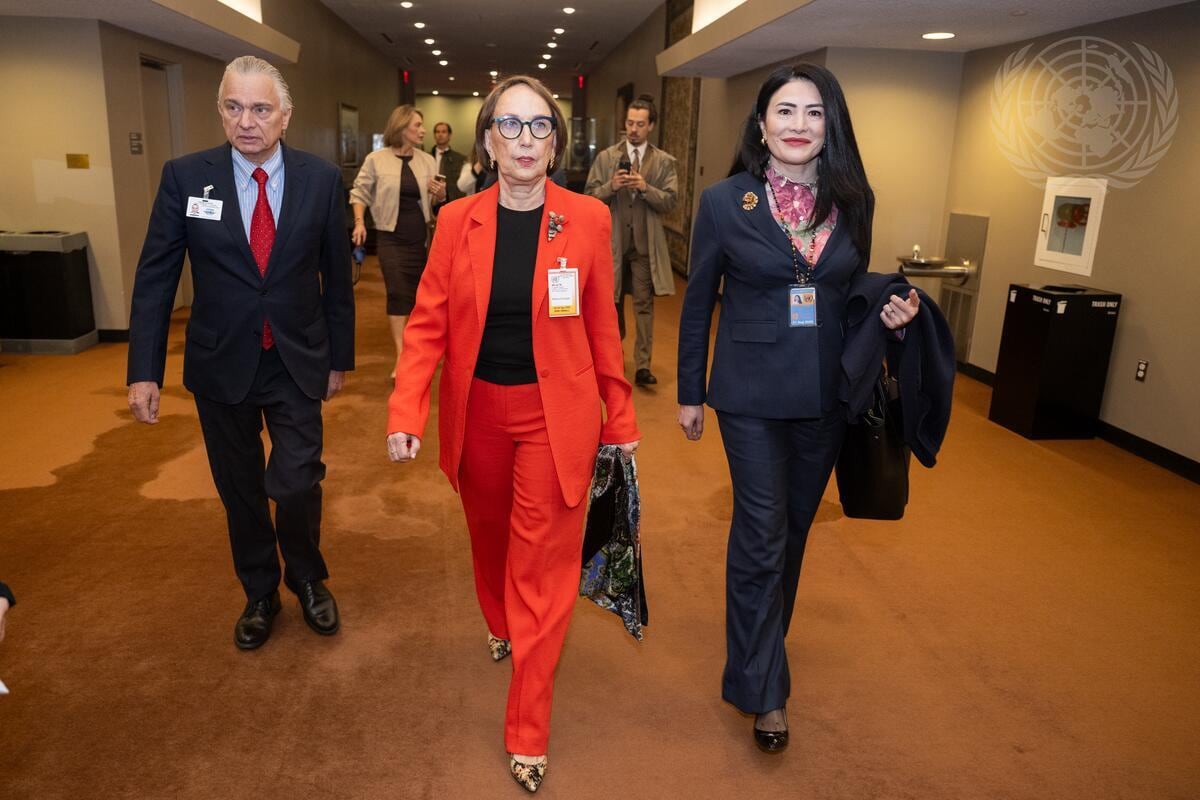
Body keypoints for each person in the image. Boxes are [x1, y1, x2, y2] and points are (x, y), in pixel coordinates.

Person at [385, 75, 639, 793]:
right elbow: (427, 324)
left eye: (539, 126)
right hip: (478, 415)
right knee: (491, 539)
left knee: (544, 567)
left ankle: (528, 724)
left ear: (555, 143)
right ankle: (499, 618)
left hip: (557, 417)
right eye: (510, 125)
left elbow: (602, 326)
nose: (525, 140)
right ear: (488, 142)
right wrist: (406, 410)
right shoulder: (456, 219)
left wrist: (619, 415)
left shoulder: (587, 218)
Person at [676, 63, 920, 754]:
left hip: (825, 391)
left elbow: (850, 291)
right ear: (761, 124)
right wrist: (690, 391)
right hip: (749, 393)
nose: (798, 125)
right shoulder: (724, 201)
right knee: (760, 531)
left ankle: (760, 650)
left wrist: (892, 313)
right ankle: (765, 692)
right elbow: (697, 302)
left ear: (830, 125)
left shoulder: (855, 200)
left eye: (814, 113)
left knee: (793, 532)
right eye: (784, 111)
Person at [126, 56, 356, 651]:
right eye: (233, 107)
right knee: (239, 486)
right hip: (220, 360)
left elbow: (337, 276)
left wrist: (340, 358)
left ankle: (306, 576)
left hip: (295, 357)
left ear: (285, 116)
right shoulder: (185, 177)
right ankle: (260, 590)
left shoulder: (320, 179)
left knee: (296, 480)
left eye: (259, 109)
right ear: (220, 111)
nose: (246, 121)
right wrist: (143, 371)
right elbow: (155, 278)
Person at [584, 94, 678, 386]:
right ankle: (612, 358)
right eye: (629, 123)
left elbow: (670, 202)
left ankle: (643, 366)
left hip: (644, 247)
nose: (633, 129)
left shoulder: (664, 162)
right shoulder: (606, 158)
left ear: (651, 126)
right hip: (611, 244)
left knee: (644, 305)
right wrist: (611, 186)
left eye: (640, 124)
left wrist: (646, 188)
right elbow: (588, 198)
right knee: (610, 304)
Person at [351, 106, 444, 376]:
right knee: (397, 292)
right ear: (402, 127)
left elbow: (437, 204)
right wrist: (359, 222)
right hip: (390, 238)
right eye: (417, 125)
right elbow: (359, 193)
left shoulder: (427, 160)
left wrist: (440, 194)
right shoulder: (376, 159)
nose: (423, 131)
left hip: (420, 239)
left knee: (418, 296)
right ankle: (402, 355)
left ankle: (417, 348)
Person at [430, 121, 467, 208]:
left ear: (449, 135)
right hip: (431, 201)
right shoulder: (427, 157)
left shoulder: (460, 159)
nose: (440, 134)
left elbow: (462, 185)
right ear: (434, 135)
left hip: (452, 203)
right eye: (437, 132)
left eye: (443, 132)